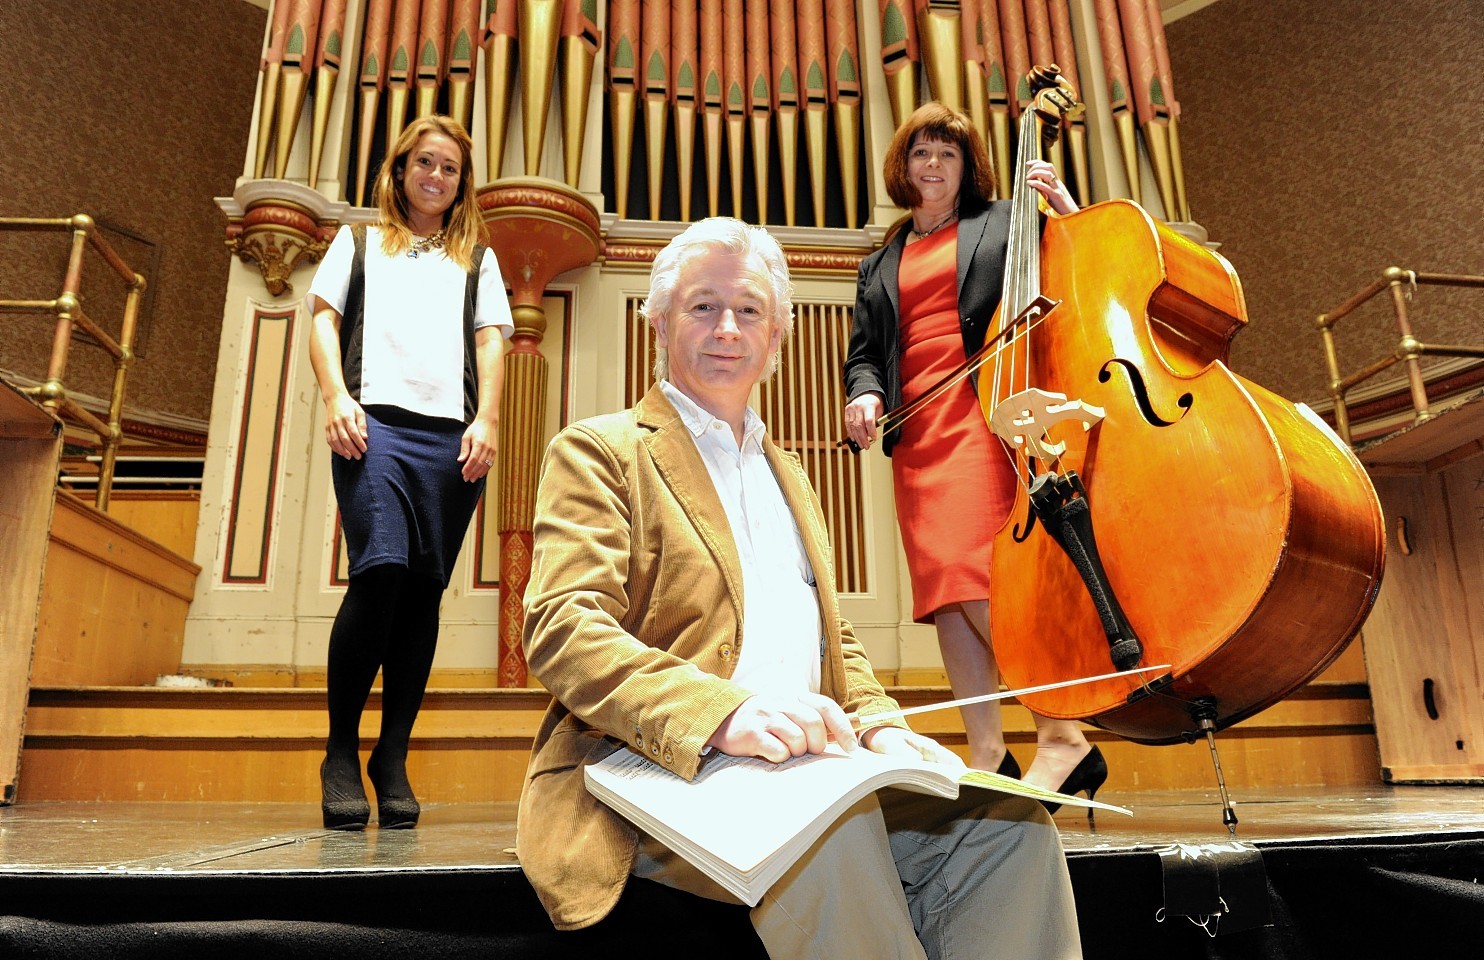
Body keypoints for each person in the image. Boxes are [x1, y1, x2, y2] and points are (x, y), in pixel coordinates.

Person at [518, 217, 1082, 959]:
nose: (727, 328)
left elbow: (830, 637)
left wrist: (886, 728)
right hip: (655, 770)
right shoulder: (600, 450)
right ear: (657, 322)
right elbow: (563, 627)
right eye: (702, 306)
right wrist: (725, 714)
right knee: (831, 836)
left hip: (804, 771)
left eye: (748, 310)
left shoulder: (792, 474)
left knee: (1009, 830)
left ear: (777, 335)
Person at [842, 102, 1106, 804]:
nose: (933, 165)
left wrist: (1063, 206)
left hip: (978, 411)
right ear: (904, 166)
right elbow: (865, 354)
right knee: (945, 598)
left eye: (947, 155)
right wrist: (863, 395)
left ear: (968, 167)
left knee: (978, 580)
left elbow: (1076, 263)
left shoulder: (1000, 223)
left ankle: (1063, 735)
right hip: (916, 431)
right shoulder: (879, 260)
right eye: (922, 154)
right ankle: (989, 751)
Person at [306, 115, 513, 830]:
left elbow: (492, 340)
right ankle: (339, 749)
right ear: (400, 170)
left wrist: (487, 419)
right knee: (382, 572)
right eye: (424, 162)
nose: (436, 176)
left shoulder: (477, 259)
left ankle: (390, 756)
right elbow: (323, 319)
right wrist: (336, 396)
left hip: (451, 440)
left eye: (449, 168)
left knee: (422, 593)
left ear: (461, 184)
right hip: (374, 428)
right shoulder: (358, 242)